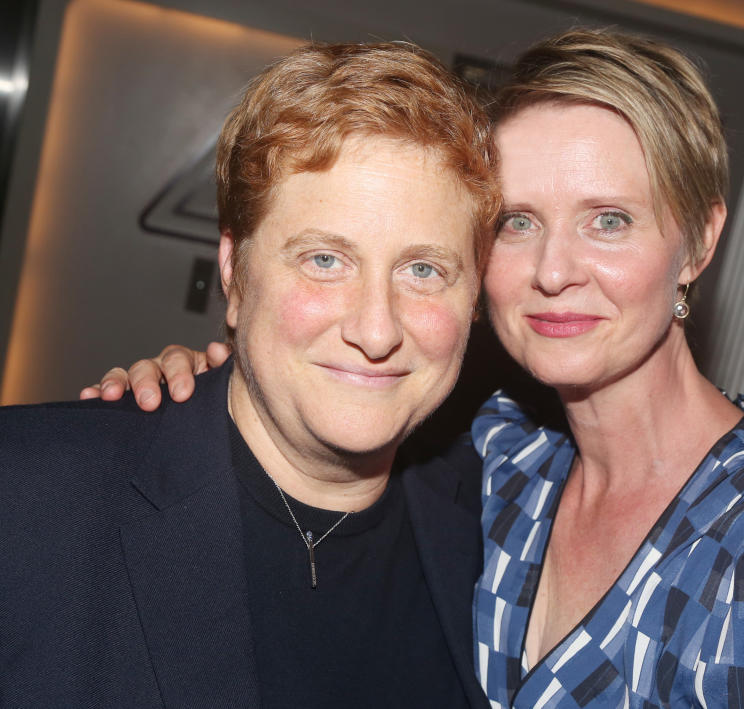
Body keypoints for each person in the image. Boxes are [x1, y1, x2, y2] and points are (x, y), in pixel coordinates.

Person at [85, 30, 744, 707]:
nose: (554, 270)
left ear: (699, 240)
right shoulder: (498, 457)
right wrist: (209, 384)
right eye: (519, 222)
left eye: (608, 219)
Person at [0, 41, 499, 707]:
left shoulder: (497, 529)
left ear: (474, 299)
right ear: (234, 273)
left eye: (423, 270)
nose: (376, 329)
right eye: (324, 259)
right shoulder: (26, 493)